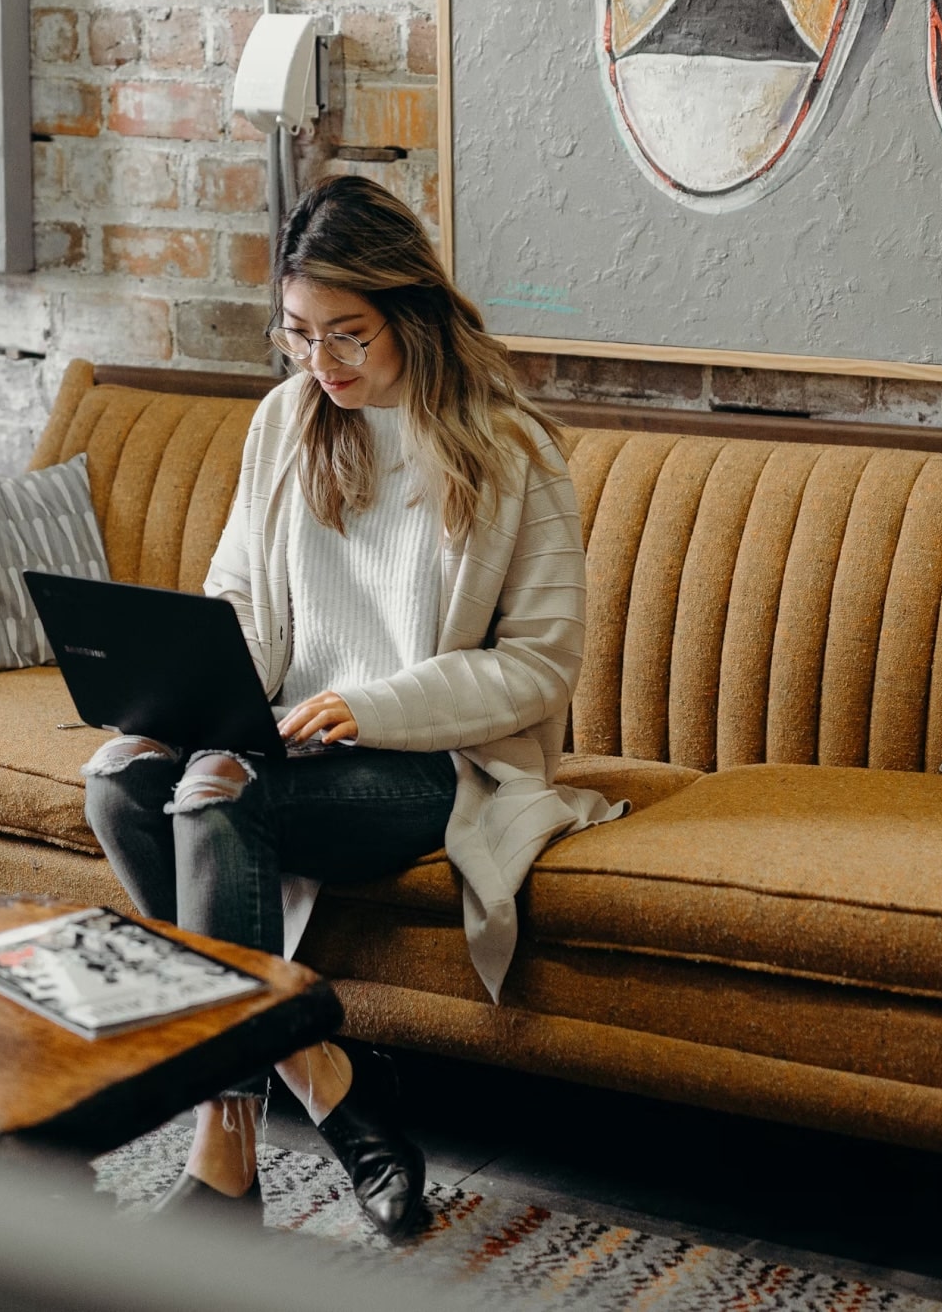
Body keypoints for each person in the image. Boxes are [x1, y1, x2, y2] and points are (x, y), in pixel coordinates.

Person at [82, 175, 623, 1235]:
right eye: (296, 335)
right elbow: (237, 594)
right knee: (120, 778)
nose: (319, 364)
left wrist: (368, 706)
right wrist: (185, 692)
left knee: (215, 798)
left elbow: (538, 666)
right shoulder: (287, 421)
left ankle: (222, 1158)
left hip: (427, 760)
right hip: (281, 733)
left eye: (346, 336)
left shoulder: (512, 452)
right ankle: (326, 1069)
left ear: (410, 315)